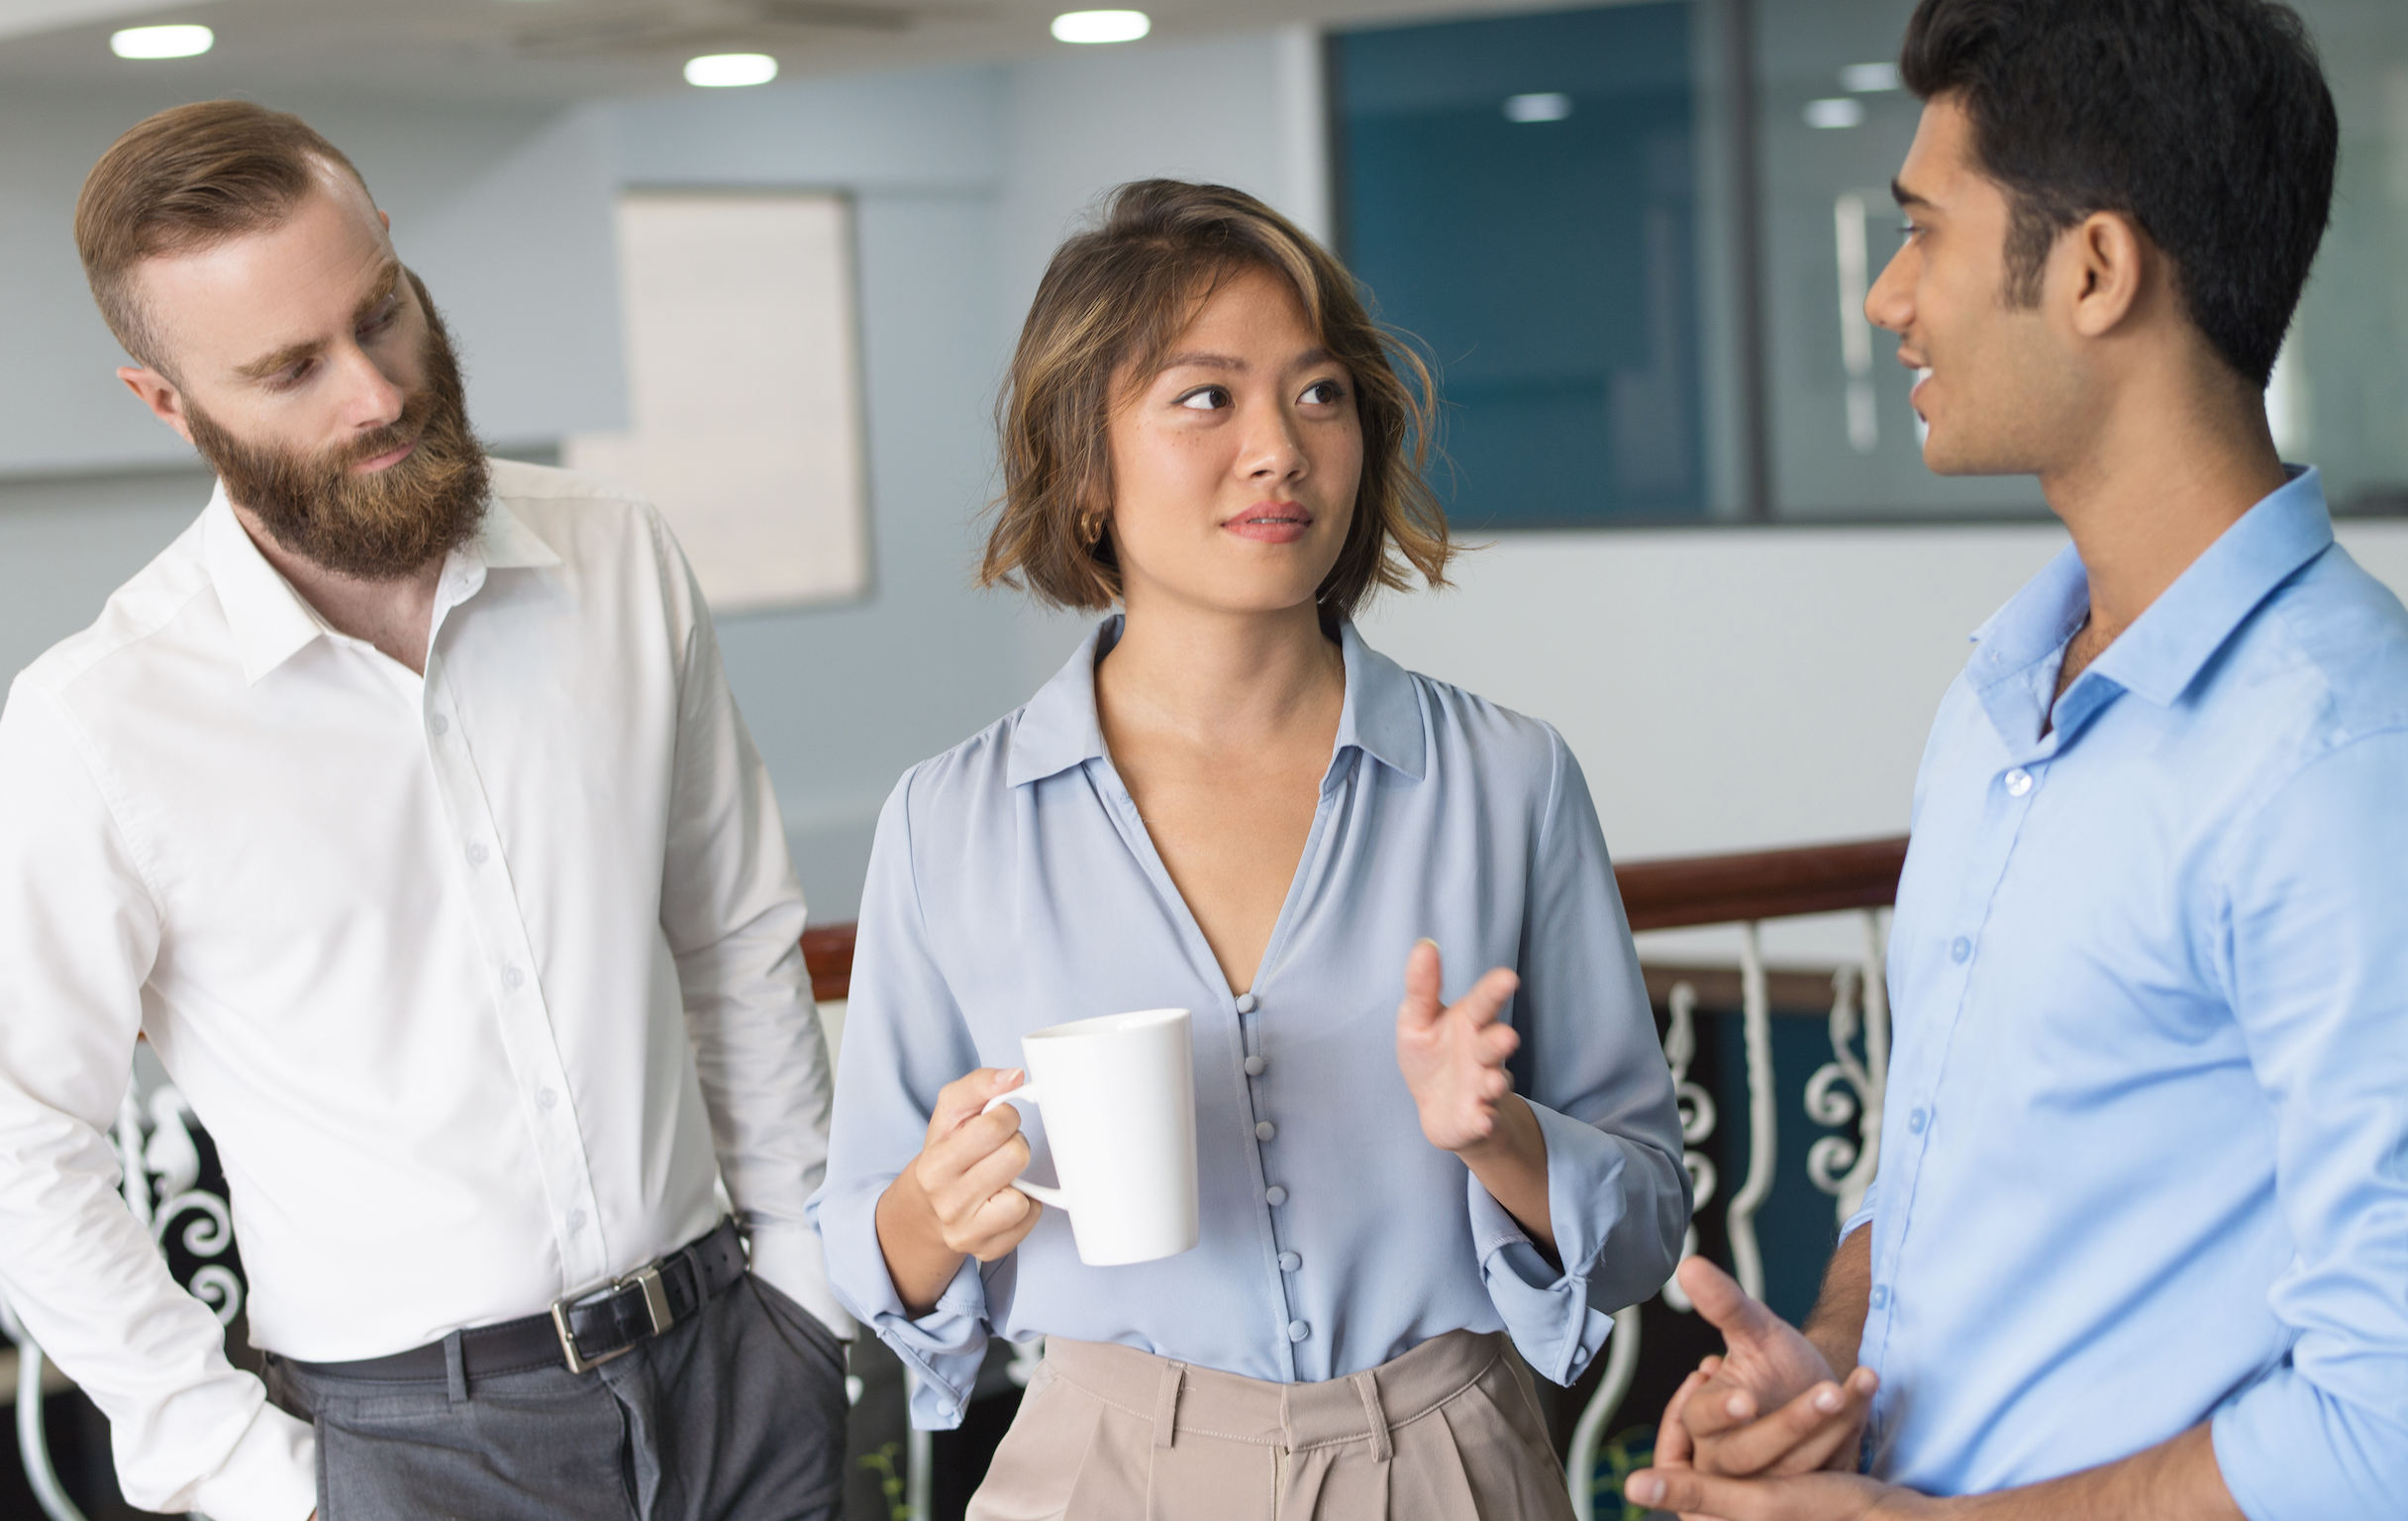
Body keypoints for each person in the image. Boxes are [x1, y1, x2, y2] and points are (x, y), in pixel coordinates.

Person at [0, 102, 849, 1520]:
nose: (375, 392)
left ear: (392, 252)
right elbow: (24, 1134)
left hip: (740, 1373)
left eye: (379, 314)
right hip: (404, 1450)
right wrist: (250, 1471)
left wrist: (806, 1296)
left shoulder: (619, 561)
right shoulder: (99, 721)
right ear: (168, 402)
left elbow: (735, 943)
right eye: (289, 369)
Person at [1626, 2, 2406, 1518]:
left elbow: (2386, 1426)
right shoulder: (2003, 693)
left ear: (2096, 271)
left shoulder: (2342, 760)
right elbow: (1941, 1175)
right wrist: (1827, 1374)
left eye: (1924, 231)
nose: (1885, 296)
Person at [807, 179, 1690, 1519]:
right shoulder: (951, 821)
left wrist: (1501, 1140)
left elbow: (1647, 1217)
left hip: (1449, 1465)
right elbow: (868, 1243)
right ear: (1084, 466)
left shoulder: (1509, 779)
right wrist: (937, 1210)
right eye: (1207, 397)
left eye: (1319, 392)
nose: (1280, 447)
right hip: (1097, 1473)